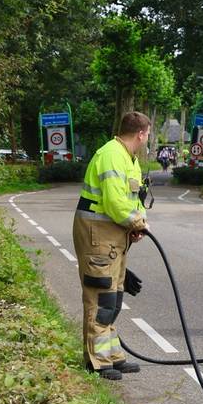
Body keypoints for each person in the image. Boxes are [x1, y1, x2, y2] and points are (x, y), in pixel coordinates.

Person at [73, 112, 150, 380]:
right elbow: (115, 203)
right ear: (141, 133)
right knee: (100, 295)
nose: (147, 139)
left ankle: (110, 354)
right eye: (148, 134)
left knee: (114, 296)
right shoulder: (111, 155)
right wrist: (136, 223)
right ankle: (96, 360)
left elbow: (134, 200)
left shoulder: (131, 160)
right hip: (98, 233)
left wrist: (137, 224)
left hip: (114, 234)